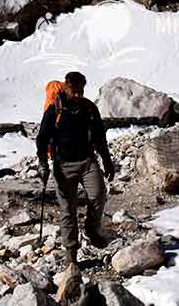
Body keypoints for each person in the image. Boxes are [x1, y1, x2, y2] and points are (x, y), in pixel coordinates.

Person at [36, 71, 115, 264]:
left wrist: (107, 159)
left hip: (88, 161)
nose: (78, 94)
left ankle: (91, 229)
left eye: (81, 90)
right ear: (66, 86)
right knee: (67, 209)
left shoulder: (88, 108)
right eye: (74, 90)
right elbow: (42, 138)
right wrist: (43, 162)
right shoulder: (55, 109)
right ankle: (71, 255)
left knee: (98, 194)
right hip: (63, 165)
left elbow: (99, 136)